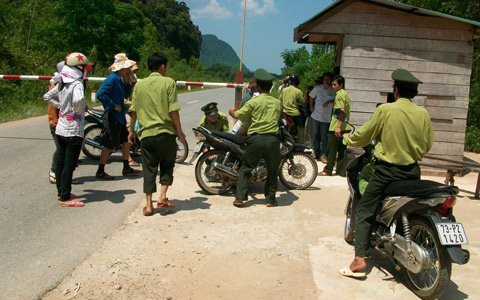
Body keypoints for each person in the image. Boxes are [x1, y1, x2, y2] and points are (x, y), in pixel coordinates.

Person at [339, 69, 434, 278]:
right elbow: (427, 144)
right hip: (412, 172)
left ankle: (359, 260)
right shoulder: (423, 114)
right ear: (414, 93)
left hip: (386, 173)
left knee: (364, 211)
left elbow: (365, 135)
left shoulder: (386, 110)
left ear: (396, 89)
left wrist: (347, 139)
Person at [128, 52, 186, 216]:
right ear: (162, 67)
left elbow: (133, 111)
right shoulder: (168, 83)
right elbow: (173, 109)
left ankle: (148, 205)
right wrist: (180, 132)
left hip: (146, 135)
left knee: (149, 168)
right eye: (165, 66)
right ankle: (162, 196)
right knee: (167, 164)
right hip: (166, 133)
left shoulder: (139, 85)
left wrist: (131, 131)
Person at [228, 69, 282, 208]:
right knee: (273, 170)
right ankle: (270, 199)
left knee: (246, 168)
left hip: (256, 140)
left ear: (257, 87)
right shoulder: (277, 103)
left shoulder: (253, 102)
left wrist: (231, 111)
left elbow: (239, 115)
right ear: (270, 87)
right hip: (272, 140)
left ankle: (240, 198)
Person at [43, 52, 90, 206]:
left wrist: (62, 108)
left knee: (61, 162)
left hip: (61, 128)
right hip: (74, 130)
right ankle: (66, 197)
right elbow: (79, 101)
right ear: (79, 68)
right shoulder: (76, 84)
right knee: (69, 165)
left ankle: (61, 191)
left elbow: (47, 97)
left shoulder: (62, 81)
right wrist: (78, 111)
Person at [96, 53, 141, 180]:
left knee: (126, 142)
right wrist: (112, 105)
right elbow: (100, 94)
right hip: (112, 116)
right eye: (127, 68)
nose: (129, 70)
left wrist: (130, 84)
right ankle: (100, 170)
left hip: (119, 117)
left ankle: (126, 168)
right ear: (121, 68)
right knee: (109, 145)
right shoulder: (112, 79)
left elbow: (124, 95)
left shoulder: (120, 79)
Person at [318, 75, 351, 177]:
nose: (332, 86)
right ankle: (341, 171)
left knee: (331, 150)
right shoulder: (344, 94)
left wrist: (338, 127)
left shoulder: (339, 95)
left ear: (341, 85)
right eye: (332, 84)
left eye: (334, 84)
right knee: (342, 151)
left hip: (337, 127)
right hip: (345, 128)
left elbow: (342, 112)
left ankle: (327, 170)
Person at [309, 73, 335, 163]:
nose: (326, 81)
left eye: (328, 79)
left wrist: (329, 101)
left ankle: (323, 155)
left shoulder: (333, 90)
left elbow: (336, 100)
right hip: (316, 116)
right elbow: (311, 97)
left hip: (326, 118)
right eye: (325, 79)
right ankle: (315, 152)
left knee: (324, 137)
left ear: (331, 80)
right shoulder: (317, 88)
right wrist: (311, 107)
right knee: (315, 136)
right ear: (323, 80)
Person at [279, 74, 305, 144]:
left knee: (283, 128)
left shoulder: (284, 90)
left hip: (285, 113)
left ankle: (283, 141)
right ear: (297, 82)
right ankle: (302, 142)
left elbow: (280, 101)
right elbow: (303, 103)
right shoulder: (298, 91)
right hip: (295, 114)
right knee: (301, 127)